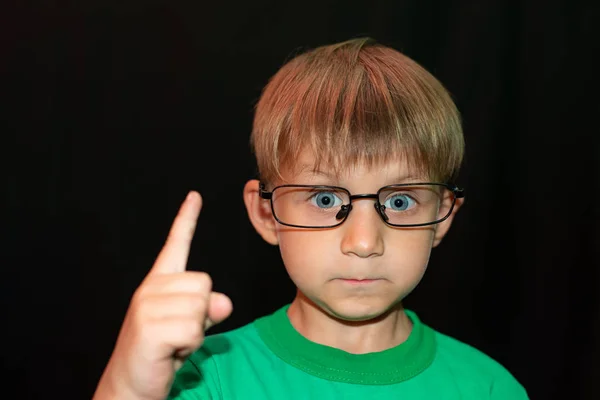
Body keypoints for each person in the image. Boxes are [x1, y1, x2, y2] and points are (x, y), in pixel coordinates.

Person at [93, 37, 528, 399]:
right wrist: (127, 387)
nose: (363, 242)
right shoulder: (203, 381)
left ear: (443, 216)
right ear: (267, 212)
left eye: (399, 201)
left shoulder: (488, 389)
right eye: (323, 198)